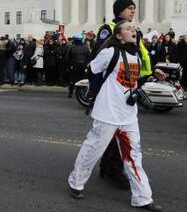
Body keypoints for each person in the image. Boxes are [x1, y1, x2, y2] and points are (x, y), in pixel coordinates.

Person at [68, 21, 162, 211]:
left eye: (134, 28)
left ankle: (143, 197)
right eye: (128, 28)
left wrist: (152, 76)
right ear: (119, 35)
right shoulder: (110, 52)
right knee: (93, 150)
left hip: (128, 116)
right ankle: (76, 182)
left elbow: (132, 79)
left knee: (134, 157)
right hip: (107, 114)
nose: (133, 30)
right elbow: (92, 70)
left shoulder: (135, 54)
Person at [92, 0, 153, 190]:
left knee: (117, 132)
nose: (133, 11)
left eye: (134, 8)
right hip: (114, 88)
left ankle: (107, 167)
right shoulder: (109, 28)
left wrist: (152, 70)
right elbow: (101, 58)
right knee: (114, 133)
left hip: (131, 83)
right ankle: (114, 171)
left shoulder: (133, 30)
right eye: (129, 8)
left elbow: (139, 54)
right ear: (119, 11)